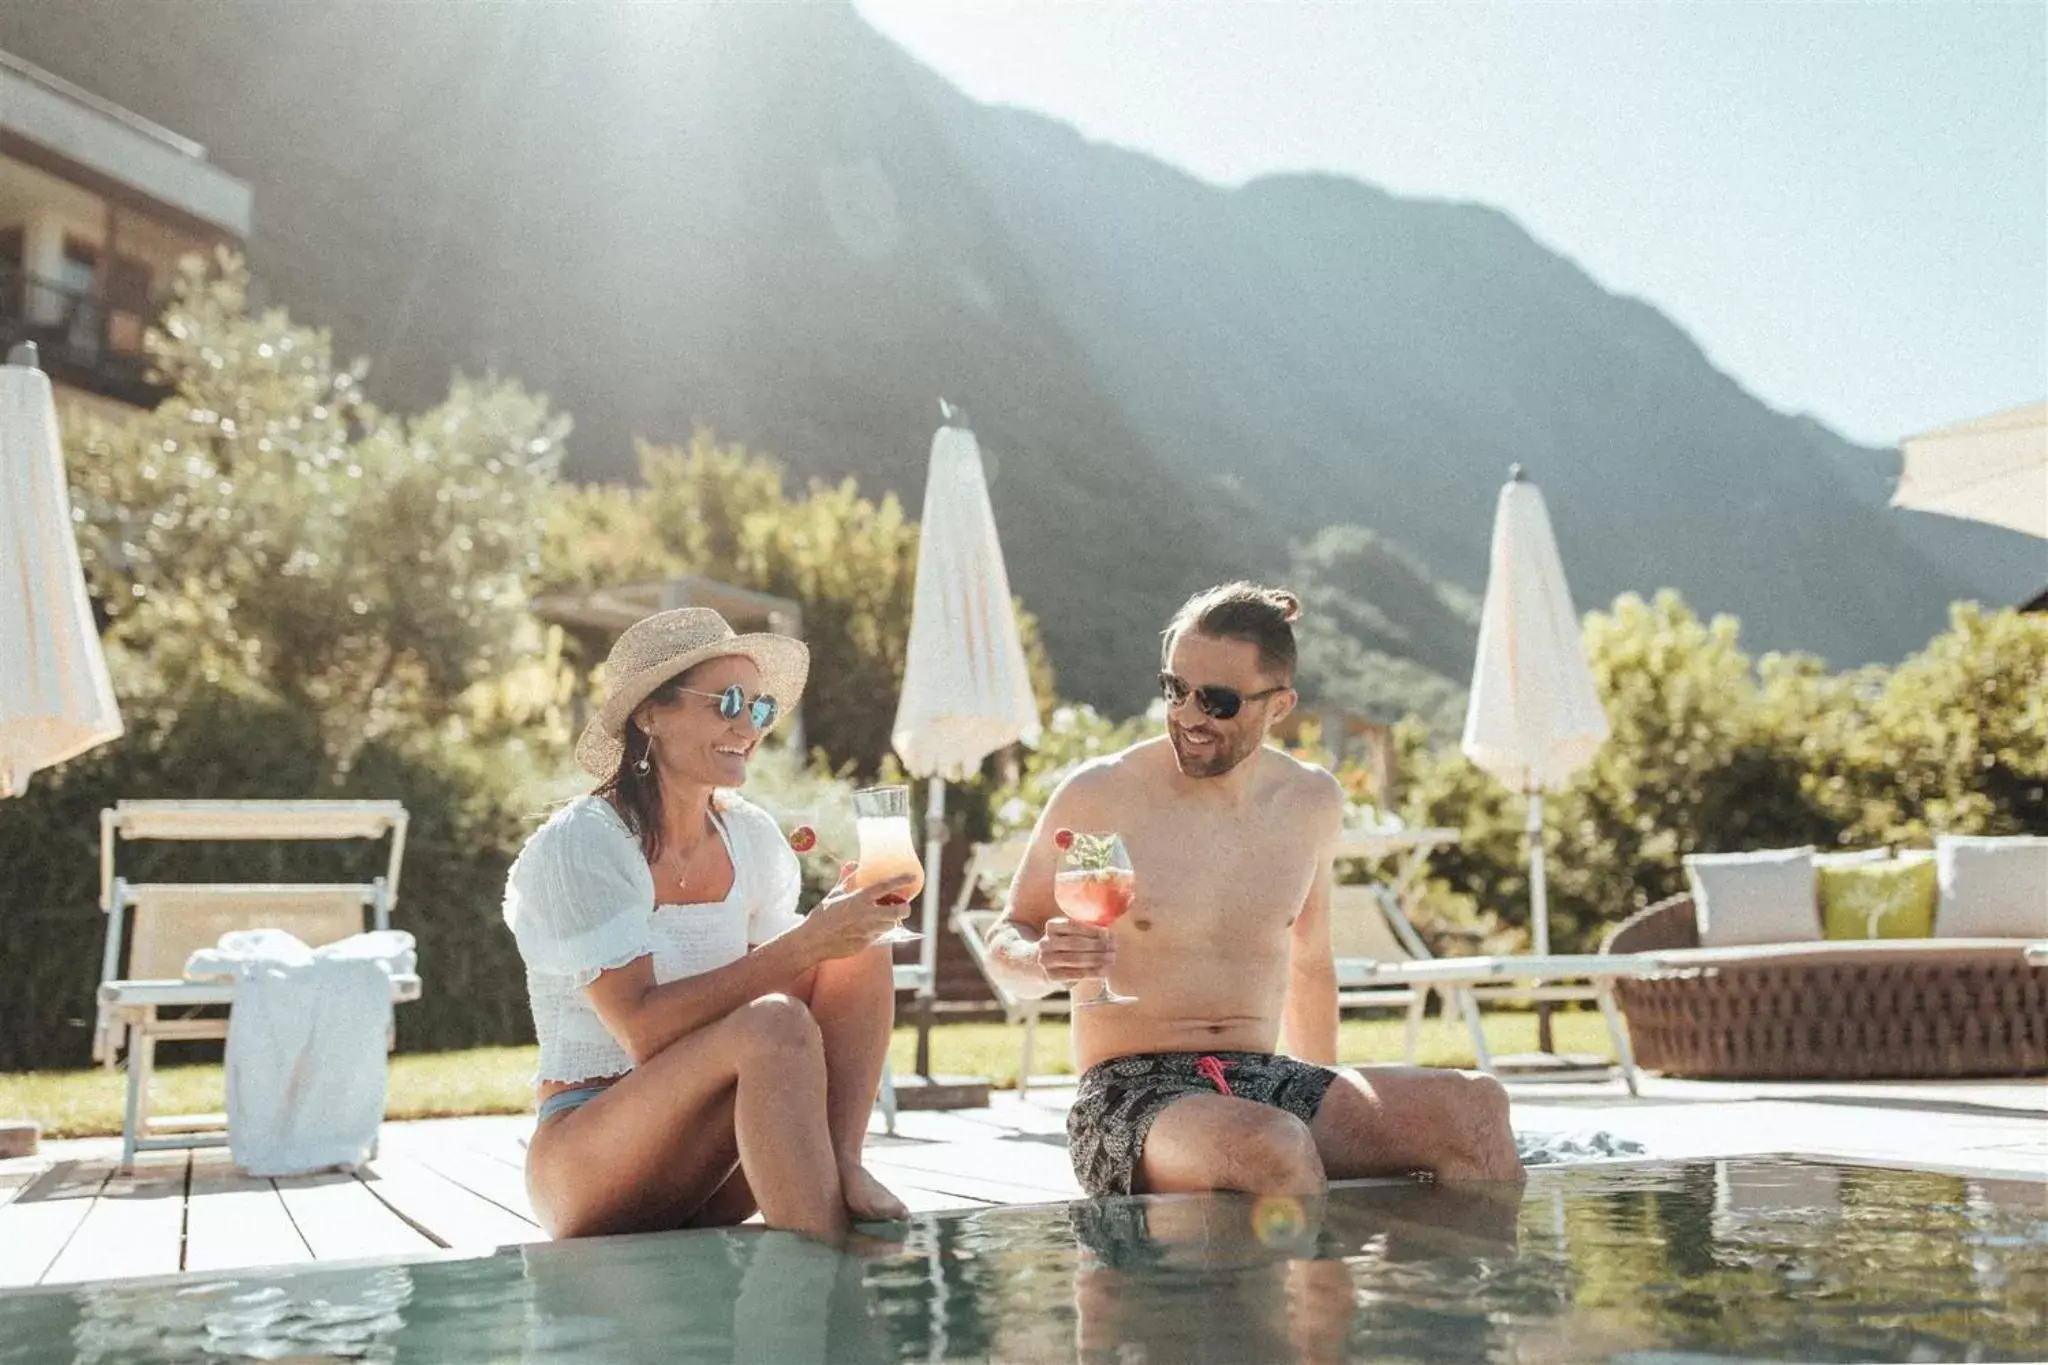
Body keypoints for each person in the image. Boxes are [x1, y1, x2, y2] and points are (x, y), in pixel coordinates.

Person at [987, 582, 1525, 1200]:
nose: (1189, 715)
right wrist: (1038, 959)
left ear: (1279, 706)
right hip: (1130, 1094)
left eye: (1216, 701)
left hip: (1265, 1081)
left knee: (1476, 1110)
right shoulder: (1104, 794)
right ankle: (1308, 1286)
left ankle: (1457, 1294)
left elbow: (1311, 962)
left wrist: (1330, 1098)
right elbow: (1011, 934)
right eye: (1174, 690)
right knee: (1274, 1143)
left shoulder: (1309, 801)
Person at [505, 608, 912, 1240]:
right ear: (650, 714)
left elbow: (794, 993)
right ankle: (825, 1297)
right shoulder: (584, 844)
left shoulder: (748, 835)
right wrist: (806, 942)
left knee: (861, 947)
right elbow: (642, 1030)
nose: (745, 726)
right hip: (591, 1156)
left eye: (759, 709)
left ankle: (843, 1163)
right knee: (773, 1020)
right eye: (726, 701)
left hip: (718, 1151)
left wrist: (840, 933)